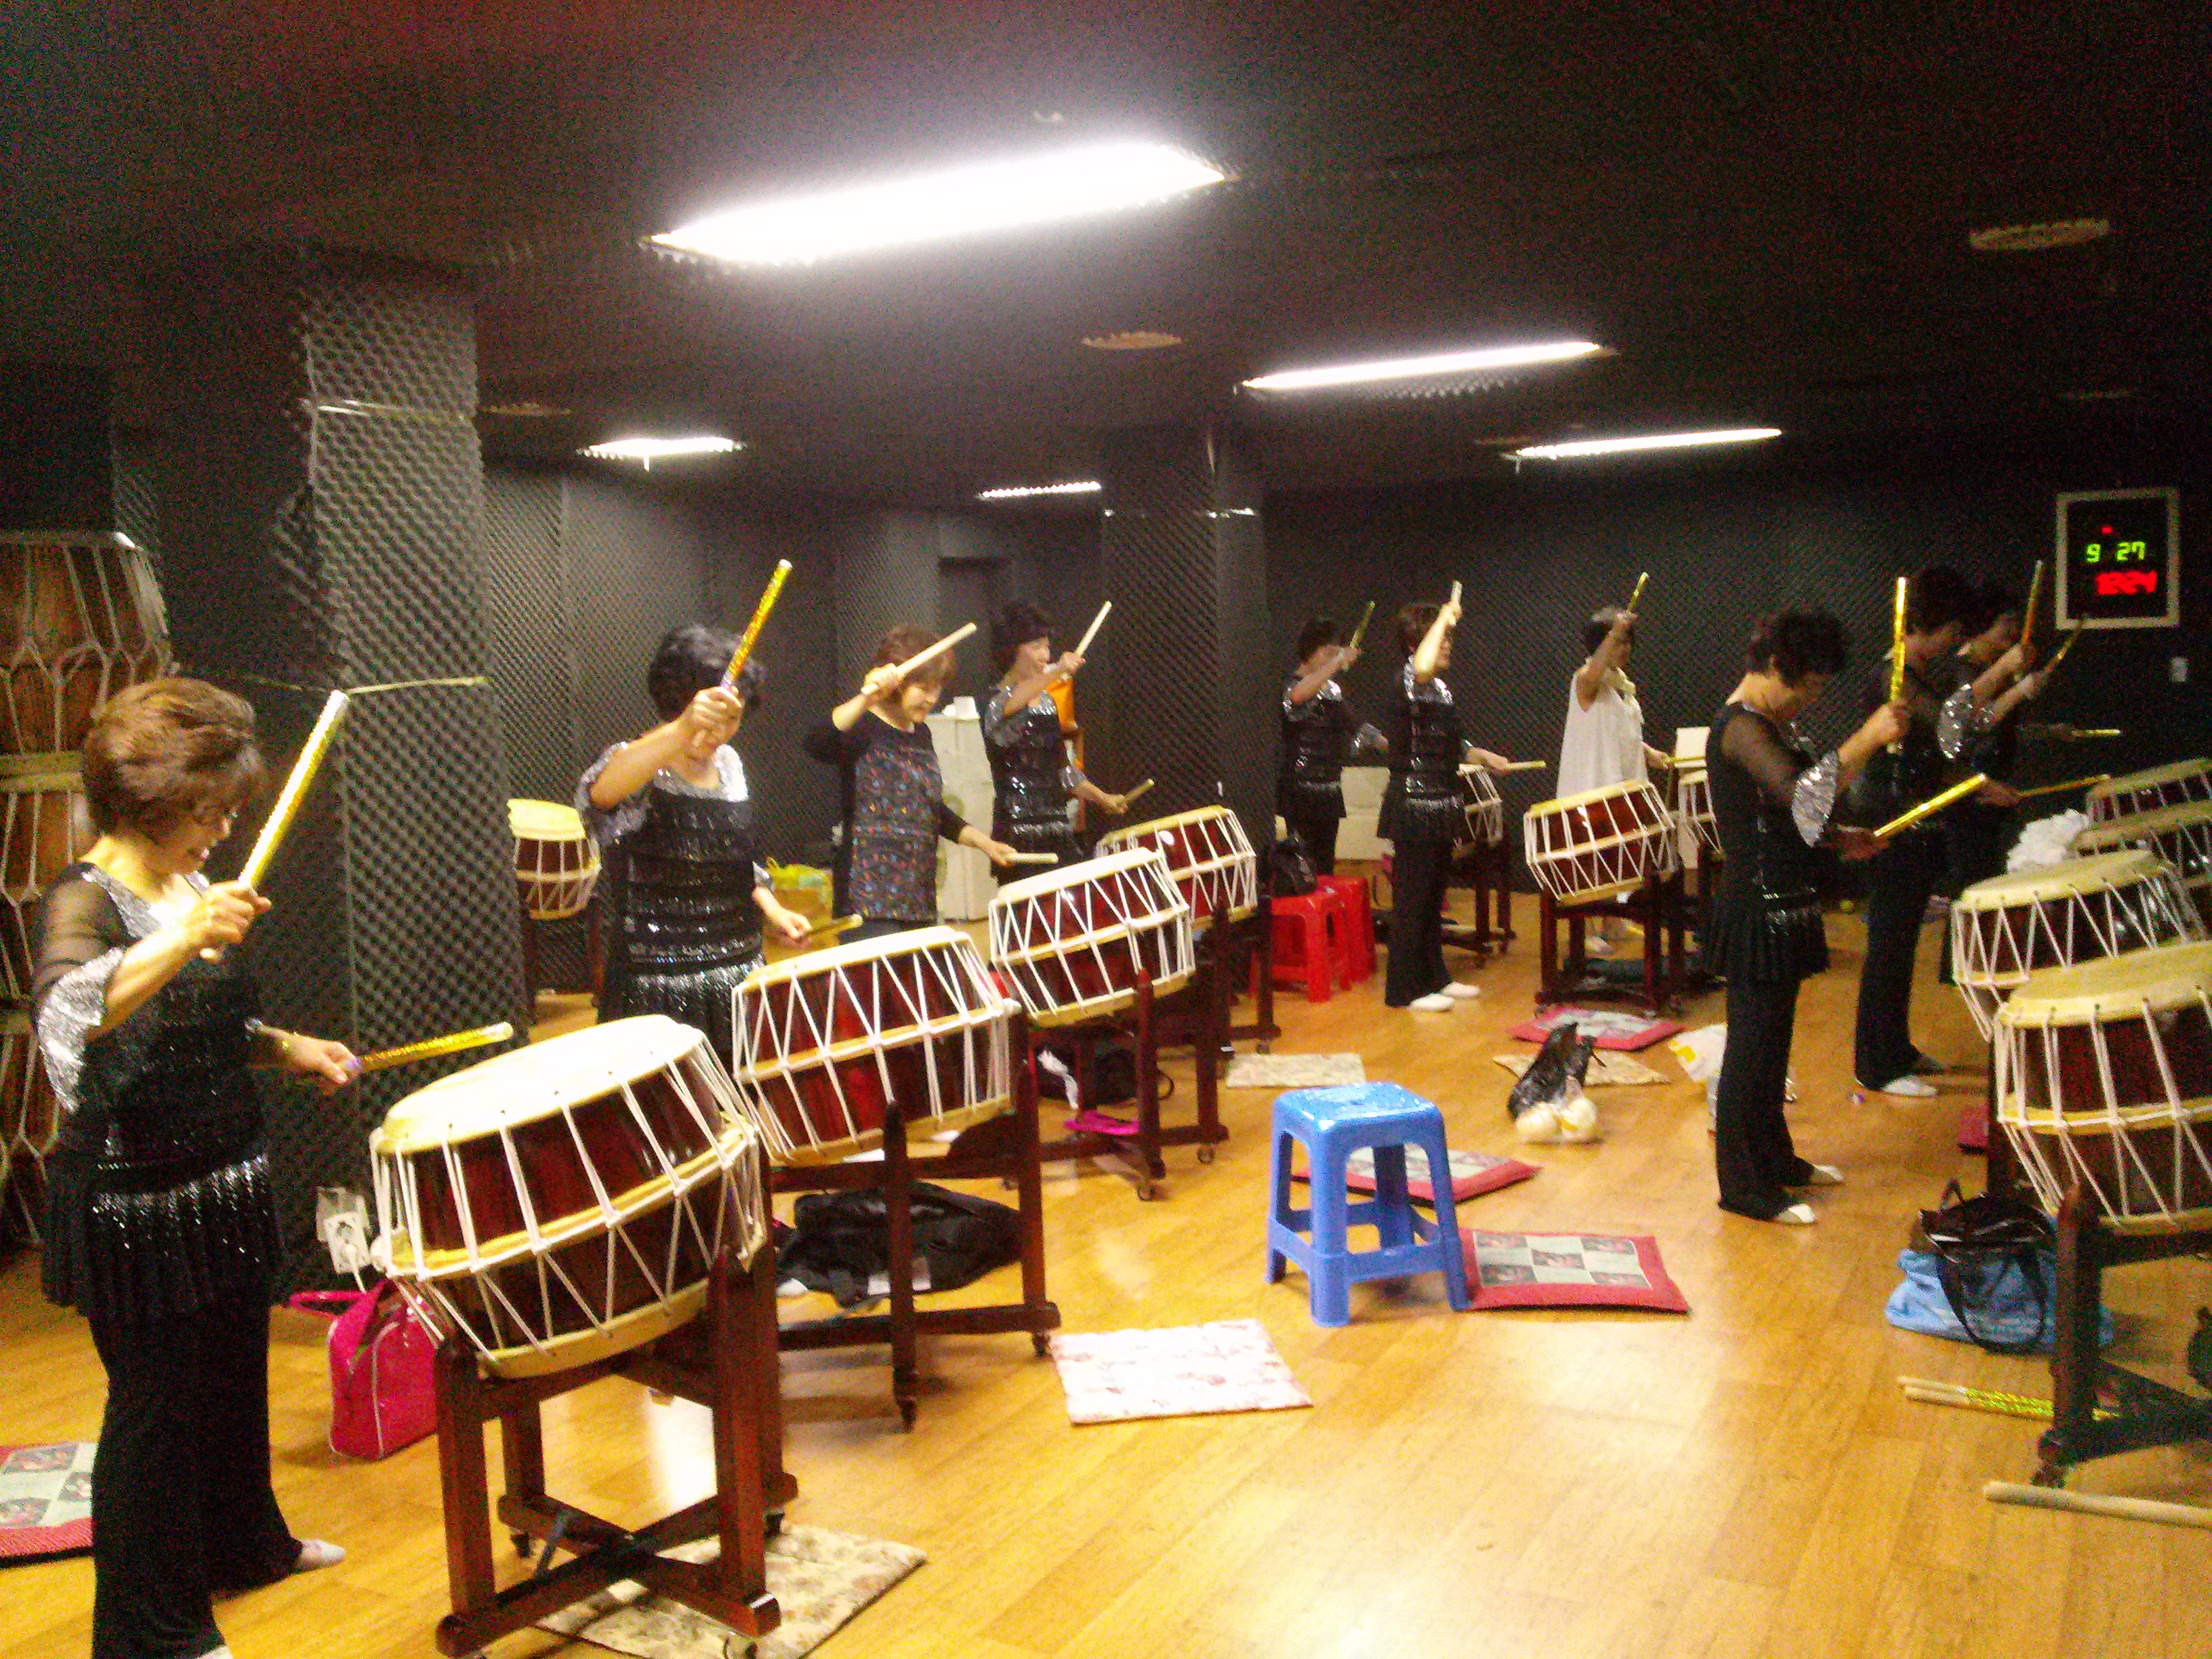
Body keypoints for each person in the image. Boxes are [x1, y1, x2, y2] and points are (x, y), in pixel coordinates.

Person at [34, 678, 359, 1659]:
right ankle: (153, 1632)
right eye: (208, 813)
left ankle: (247, 1545)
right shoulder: (83, 898)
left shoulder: (184, 888)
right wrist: (186, 936)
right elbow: (72, 1016)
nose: (223, 831)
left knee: (230, 1383)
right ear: (152, 806)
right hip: (134, 1201)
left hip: (221, 1175)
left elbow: (193, 1018)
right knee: (156, 1416)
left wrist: (288, 1045)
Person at [1706, 614, 1906, 1223]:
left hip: (1784, 902)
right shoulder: (1740, 727)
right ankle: (1744, 1187)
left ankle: (1775, 1159)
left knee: (1772, 1047)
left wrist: (1840, 838)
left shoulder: (1769, 724)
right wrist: (1867, 738)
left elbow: (1797, 816)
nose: (1813, 699)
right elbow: (1800, 795)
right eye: (1809, 686)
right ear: (1773, 668)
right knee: (1751, 1050)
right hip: (1756, 907)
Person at [579, 625, 810, 1057]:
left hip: (738, 972)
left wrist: (774, 910)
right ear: (678, 706)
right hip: (658, 986)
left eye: (731, 721)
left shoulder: (731, 765)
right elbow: (602, 794)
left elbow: (737, 861)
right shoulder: (640, 760)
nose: (716, 735)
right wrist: (683, 729)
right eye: (707, 719)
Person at [1849, 565, 2030, 1098]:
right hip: (1890, 823)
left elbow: (1941, 754)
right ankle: (1874, 1067)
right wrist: (2004, 674)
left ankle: (1896, 1049)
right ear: (1927, 624)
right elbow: (1952, 724)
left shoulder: (1922, 674)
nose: (1955, 639)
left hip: (1918, 824)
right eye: (1951, 628)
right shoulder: (1893, 678)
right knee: (1888, 946)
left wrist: (1979, 786)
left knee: (1902, 945)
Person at [806, 624, 1019, 940]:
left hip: (918, 893)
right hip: (868, 898)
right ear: (898, 682)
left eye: (937, 688)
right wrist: (866, 697)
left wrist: (983, 843)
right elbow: (816, 742)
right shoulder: (862, 726)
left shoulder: (921, 733)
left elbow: (929, 808)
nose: (932, 698)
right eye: (923, 688)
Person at [1380, 597, 1512, 1011]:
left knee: (1433, 896)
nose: (1449, 645)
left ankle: (1435, 978)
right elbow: (1421, 665)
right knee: (1413, 900)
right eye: (1442, 638)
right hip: (1414, 802)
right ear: (1416, 642)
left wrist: (1482, 756)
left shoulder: (1439, 687)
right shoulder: (1409, 676)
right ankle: (1404, 990)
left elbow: (1454, 743)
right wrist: (1443, 616)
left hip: (1441, 799)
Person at [1558, 603, 1675, 951]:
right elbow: (1594, 673)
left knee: (1615, 856)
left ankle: (1612, 921)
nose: (1625, 649)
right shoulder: (1585, 680)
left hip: (1619, 784)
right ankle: (1586, 931)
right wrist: (1613, 633)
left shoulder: (1622, 686)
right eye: (1618, 641)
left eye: (1628, 642)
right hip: (1590, 783)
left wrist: (1647, 752)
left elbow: (1621, 731)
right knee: (1587, 859)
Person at [983, 602, 1130, 877]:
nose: (1046, 655)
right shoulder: (995, 702)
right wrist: (1058, 670)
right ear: (1012, 649)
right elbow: (1010, 703)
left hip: (1057, 825)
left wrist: (1102, 798)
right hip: (1017, 829)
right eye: (1036, 646)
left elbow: (1063, 770)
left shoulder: (1048, 702)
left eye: (1047, 647)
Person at [1276, 616, 1385, 876]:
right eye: (1327, 653)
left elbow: (1355, 724)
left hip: (1329, 788)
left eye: (1336, 653)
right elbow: (1297, 696)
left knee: (1326, 865)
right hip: (1300, 788)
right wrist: (1339, 661)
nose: (1332, 659)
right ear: (1309, 652)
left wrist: (1391, 745)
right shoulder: (1293, 684)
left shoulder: (1332, 690)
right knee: (1303, 865)